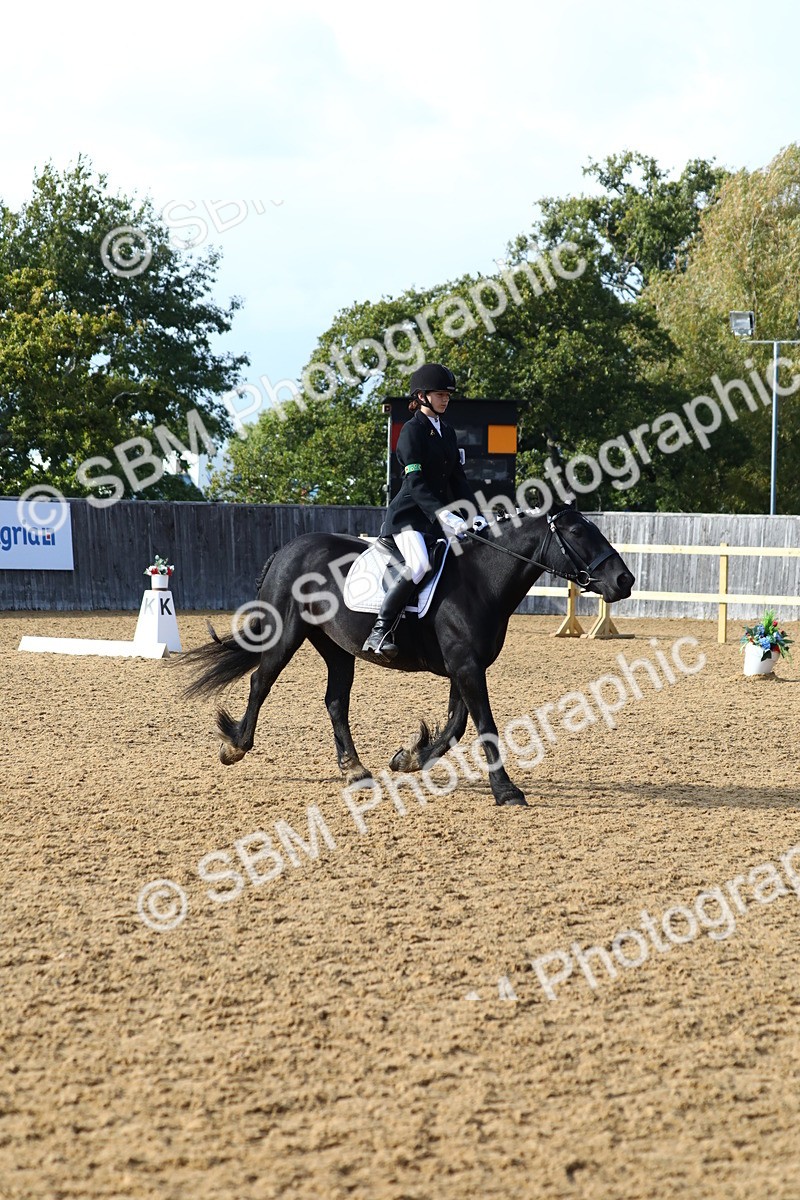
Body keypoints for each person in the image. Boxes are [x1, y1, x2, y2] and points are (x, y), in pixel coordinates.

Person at [362, 362, 487, 663]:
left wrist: (475, 513)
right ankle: (380, 631)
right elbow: (416, 483)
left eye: (448, 394)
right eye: (440, 394)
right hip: (408, 520)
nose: (446, 399)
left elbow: (458, 479)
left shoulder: (448, 433)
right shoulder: (411, 431)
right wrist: (444, 514)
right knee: (418, 565)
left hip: (434, 523)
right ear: (421, 396)